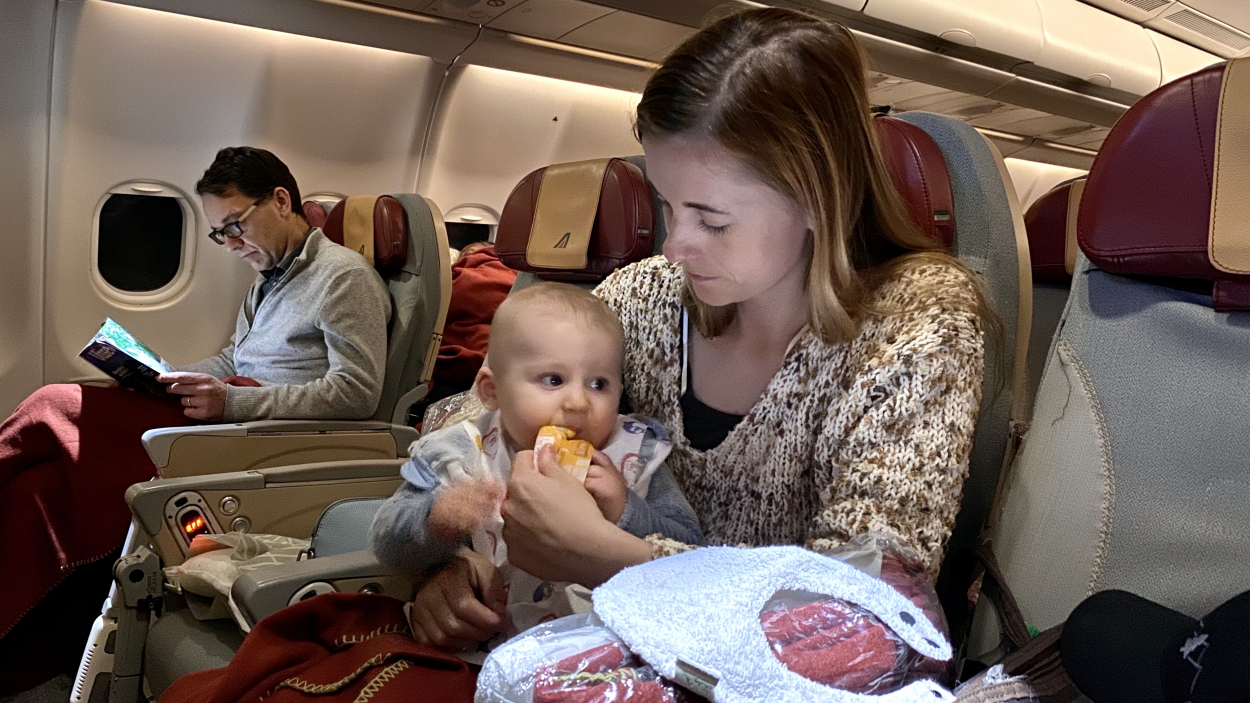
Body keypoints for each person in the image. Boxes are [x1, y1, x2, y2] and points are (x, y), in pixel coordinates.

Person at [405, 7, 992, 653]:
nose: (675, 246)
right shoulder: (645, 295)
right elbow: (474, 422)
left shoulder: (915, 322)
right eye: (665, 204)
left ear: (818, 196)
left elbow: (856, 619)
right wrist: (452, 560)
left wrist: (609, 557)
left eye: (711, 220)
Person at [0, 146, 391, 692]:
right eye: (218, 234)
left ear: (281, 200)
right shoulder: (268, 279)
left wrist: (231, 403)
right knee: (38, 485)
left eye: (235, 225)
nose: (230, 245)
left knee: (56, 403)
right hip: (232, 410)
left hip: (261, 435)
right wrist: (168, 376)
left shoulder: (343, 277)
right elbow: (234, 358)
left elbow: (357, 393)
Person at [371, 282, 701, 656]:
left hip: (601, 659)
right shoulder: (458, 453)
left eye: (599, 383)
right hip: (486, 652)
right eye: (553, 379)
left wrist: (626, 511)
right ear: (491, 390)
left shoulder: (633, 456)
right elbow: (386, 543)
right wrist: (437, 520)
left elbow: (691, 547)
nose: (578, 402)